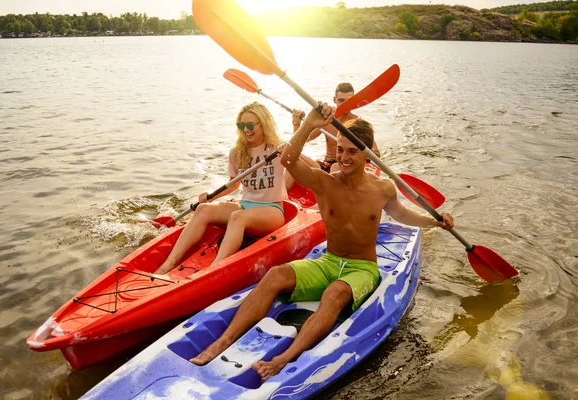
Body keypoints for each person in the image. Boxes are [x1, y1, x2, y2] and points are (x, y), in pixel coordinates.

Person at [188, 102, 455, 382]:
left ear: (367, 155)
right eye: (340, 150)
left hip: (362, 269)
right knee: (275, 274)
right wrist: (308, 125)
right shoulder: (326, 182)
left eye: (352, 151)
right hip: (328, 261)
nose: (344, 157)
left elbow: (401, 213)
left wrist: (433, 221)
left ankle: (284, 358)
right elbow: (288, 161)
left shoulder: (383, 188)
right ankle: (223, 341)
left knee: (335, 294)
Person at [155, 102, 315, 276]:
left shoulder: (276, 148)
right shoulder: (236, 152)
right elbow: (234, 183)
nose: (246, 130)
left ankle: (211, 271)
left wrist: (297, 126)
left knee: (237, 217)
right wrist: (211, 197)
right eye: (241, 125)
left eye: (250, 125)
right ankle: (167, 264)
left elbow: (298, 146)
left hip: (272, 209)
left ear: (263, 124)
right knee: (203, 209)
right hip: (245, 205)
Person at [292, 82, 381, 173]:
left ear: (354, 101)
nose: (345, 104)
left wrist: (357, 152)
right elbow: (301, 141)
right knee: (291, 156)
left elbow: (376, 154)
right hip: (328, 164)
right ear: (335, 100)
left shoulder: (358, 123)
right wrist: (296, 124)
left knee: (336, 167)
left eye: (349, 100)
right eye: (341, 100)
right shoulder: (326, 120)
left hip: (349, 164)